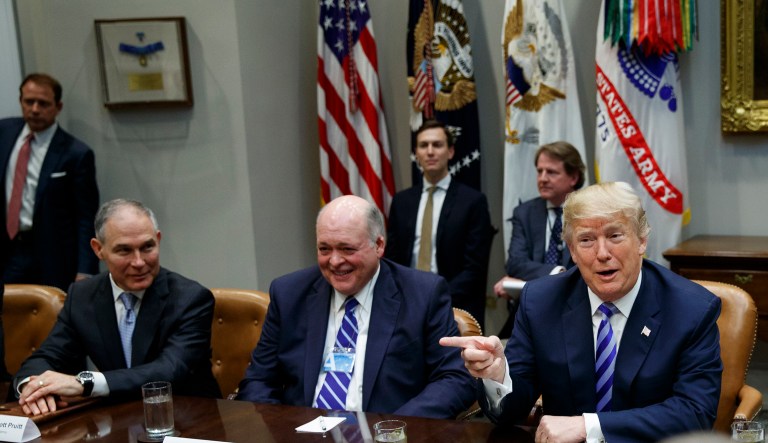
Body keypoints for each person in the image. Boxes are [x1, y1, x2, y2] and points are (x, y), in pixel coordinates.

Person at [441, 182, 722, 443]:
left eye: (615, 235)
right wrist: (497, 375)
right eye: (586, 240)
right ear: (572, 251)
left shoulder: (692, 309)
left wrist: (589, 426)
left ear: (641, 241)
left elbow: (694, 413)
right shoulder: (541, 301)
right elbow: (510, 412)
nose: (602, 253)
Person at [237, 195, 475, 419]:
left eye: (347, 249)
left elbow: (454, 379)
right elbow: (259, 380)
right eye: (324, 249)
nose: (335, 261)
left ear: (379, 245)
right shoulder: (289, 293)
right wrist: (284, 430)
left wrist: (394, 429)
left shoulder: (423, 294)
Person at [13, 199, 220, 416]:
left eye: (147, 247)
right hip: (119, 419)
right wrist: (35, 387)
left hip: (187, 419)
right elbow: (47, 356)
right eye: (124, 251)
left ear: (158, 239)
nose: (139, 262)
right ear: (98, 249)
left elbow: (167, 370)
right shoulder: (82, 296)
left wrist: (85, 383)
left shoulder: (191, 298)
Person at [386, 119, 493, 328]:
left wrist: (435, 298)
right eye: (423, 145)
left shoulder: (472, 201)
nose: (430, 151)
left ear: (451, 151)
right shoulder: (402, 201)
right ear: (416, 153)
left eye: (437, 145)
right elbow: (392, 260)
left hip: (455, 308)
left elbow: (475, 269)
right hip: (405, 307)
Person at [1, 73, 100, 291]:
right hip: (8, 252)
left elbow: (86, 218)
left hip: (52, 256)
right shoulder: (4, 133)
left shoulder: (76, 154)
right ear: (20, 101)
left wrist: (86, 270)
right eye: (29, 102)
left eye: (43, 103)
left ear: (58, 106)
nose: (35, 109)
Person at [493, 141, 585, 337]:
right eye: (539, 171)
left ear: (574, 177)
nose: (542, 179)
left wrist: (555, 275)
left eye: (551, 172)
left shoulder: (588, 213)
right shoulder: (525, 213)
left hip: (577, 311)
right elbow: (516, 264)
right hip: (530, 311)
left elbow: (586, 267)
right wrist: (557, 272)